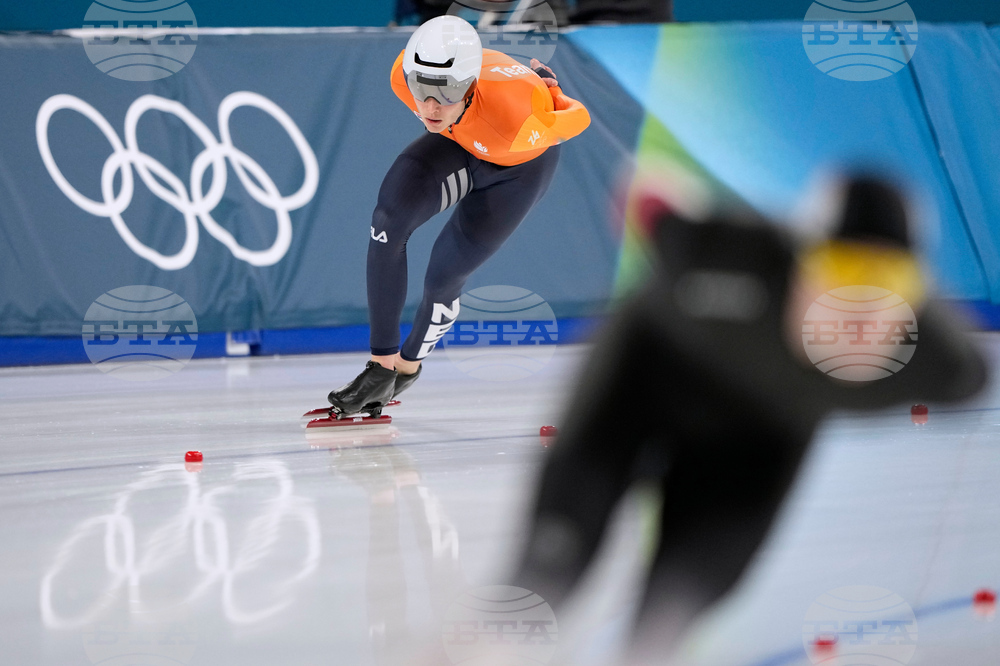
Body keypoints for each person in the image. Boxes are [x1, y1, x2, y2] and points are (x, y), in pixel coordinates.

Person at [511, 175, 988, 663]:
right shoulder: (733, 258)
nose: (859, 309)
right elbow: (651, 200)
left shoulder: (938, 360)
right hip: (645, 384)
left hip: (758, 437)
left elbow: (972, 376)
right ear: (799, 266)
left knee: (674, 605)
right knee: (549, 567)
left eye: (889, 283)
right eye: (840, 271)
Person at [327, 15, 590, 416]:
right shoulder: (403, 73)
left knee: (443, 276)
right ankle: (380, 368)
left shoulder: (516, 116)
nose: (430, 106)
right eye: (423, 90)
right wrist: (446, 105)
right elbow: (432, 96)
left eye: (446, 91)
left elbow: (578, 117)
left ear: (469, 86)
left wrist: (553, 93)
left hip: (517, 166)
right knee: (387, 222)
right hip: (463, 141)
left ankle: (408, 366)